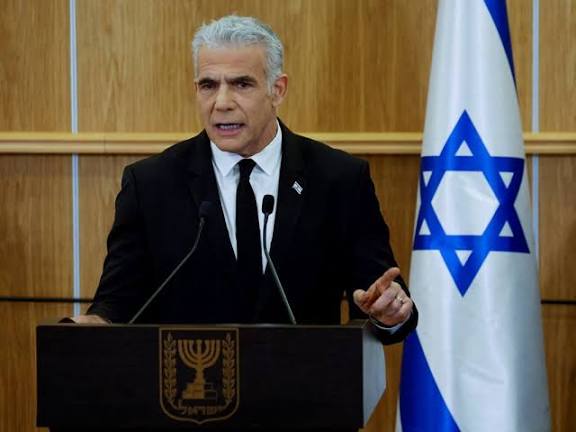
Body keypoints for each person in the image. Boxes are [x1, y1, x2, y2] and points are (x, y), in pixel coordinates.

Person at [72, 15, 417, 345]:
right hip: (192, 381)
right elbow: (117, 303)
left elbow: (382, 295)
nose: (221, 103)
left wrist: (389, 312)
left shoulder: (338, 178)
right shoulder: (151, 184)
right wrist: (91, 325)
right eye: (208, 85)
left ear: (277, 90)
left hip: (304, 382)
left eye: (241, 84)